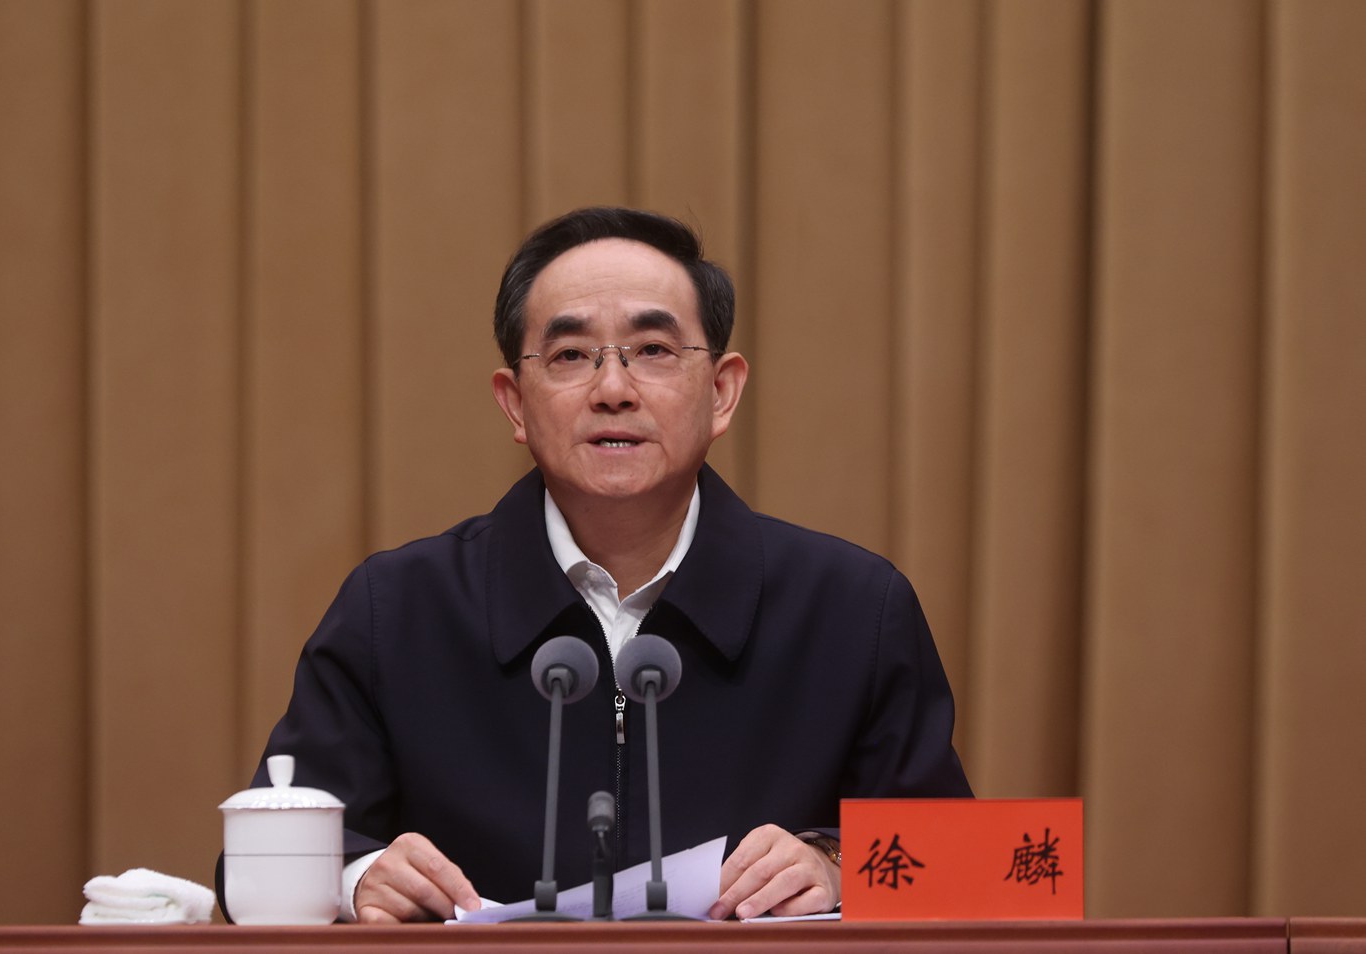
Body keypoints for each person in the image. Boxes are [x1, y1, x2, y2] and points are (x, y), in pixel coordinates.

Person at [220, 206, 971, 924]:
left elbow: (966, 862)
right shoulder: (398, 610)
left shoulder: (853, 608)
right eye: (571, 356)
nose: (613, 391)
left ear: (722, 392)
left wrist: (838, 866)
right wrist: (359, 879)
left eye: (654, 351)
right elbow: (255, 859)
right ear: (515, 404)